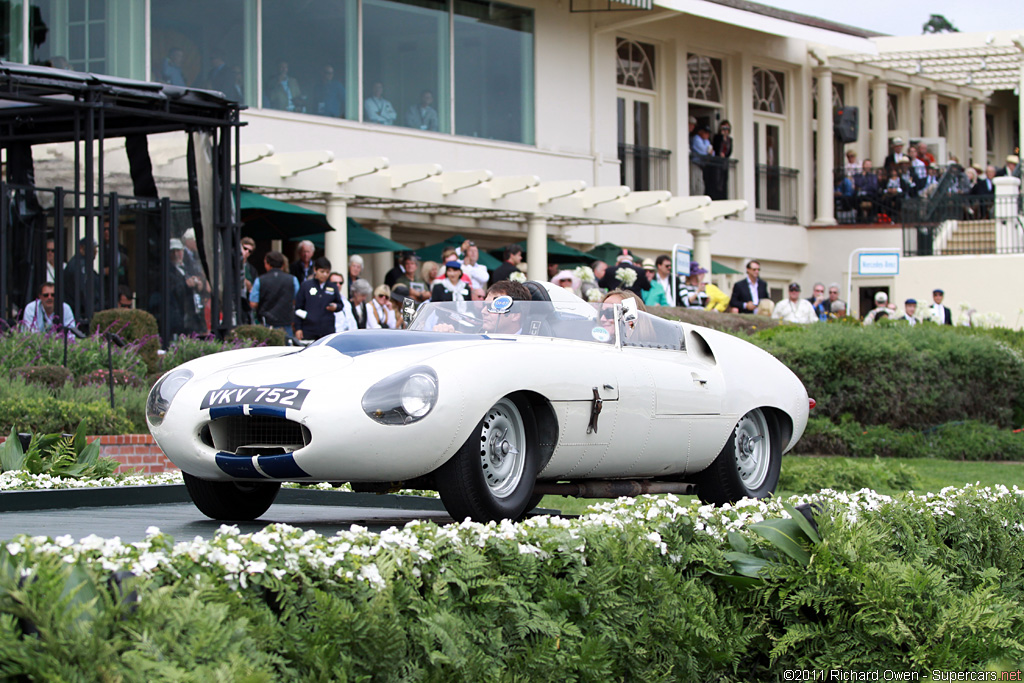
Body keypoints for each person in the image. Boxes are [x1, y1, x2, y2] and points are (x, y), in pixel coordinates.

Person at [250, 250, 299, 337]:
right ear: (283, 264)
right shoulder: (293, 279)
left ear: (267, 264)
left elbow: (253, 303)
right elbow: (296, 299)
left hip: (267, 323)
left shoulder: (260, 280)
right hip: (286, 322)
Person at [294, 257, 343, 341]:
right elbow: (298, 308)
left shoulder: (332, 287)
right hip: (309, 329)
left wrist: (336, 307)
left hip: (327, 330)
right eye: (322, 271)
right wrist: (298, 328)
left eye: (327, 272)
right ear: (315, 270)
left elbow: (340, 305)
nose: (324, 275)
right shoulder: (306, 286)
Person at [708, 120, 732, 200]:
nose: (725, 130)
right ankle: (717, 195)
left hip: (724, 161)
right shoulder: (717, 137)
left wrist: (725, 155)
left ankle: (723, 195)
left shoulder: (729, 140)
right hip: (717, 161)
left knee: (724, 179)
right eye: (724, 127)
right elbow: (716, 146)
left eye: (727, 128)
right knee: (717, 178)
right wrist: (722, 136)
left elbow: (730, 150)